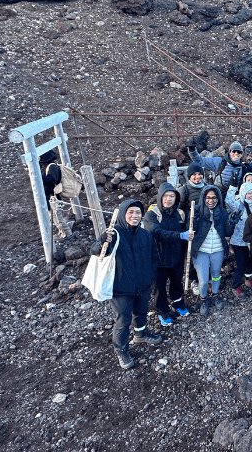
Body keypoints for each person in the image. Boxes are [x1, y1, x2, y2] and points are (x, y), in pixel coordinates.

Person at [90, 199, 161, 370]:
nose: (135, 216)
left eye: (137, 212)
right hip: (120, 288)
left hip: (142, 285)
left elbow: (153, 256)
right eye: (130, 213)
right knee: (123, 320)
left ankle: (141, 334)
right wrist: (101, 241)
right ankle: (121, 350)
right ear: (123, 214)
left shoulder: (145, 235)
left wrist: (151, 277)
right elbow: (94, 251)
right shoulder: (113, 234)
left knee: (141, 312)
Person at [143, 183, 190, 326]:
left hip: (176, 256)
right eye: (166, 196)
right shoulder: (152, 214)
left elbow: (187, 231)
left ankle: (177, 302)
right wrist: (181, 236)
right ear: (160, 197)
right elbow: (157, 232)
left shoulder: (180, 214)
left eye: (172, 196)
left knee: (176, 281)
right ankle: (162, 310)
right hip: (158, 258)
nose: (169, 199)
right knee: (159, 286)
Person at [190, 186, 235, 315]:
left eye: (214, 197)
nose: (211, 200)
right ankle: (203, 299)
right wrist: (193, 220)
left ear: (218, 198)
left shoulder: (223, 212)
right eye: (208, 197)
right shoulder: (197, 211)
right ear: (203, 198)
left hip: (217, 250)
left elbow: (227, 233)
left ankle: (215, 295)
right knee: (203, 281)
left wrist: (231, 224)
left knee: (216, 276)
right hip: (201, 251)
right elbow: (189, 229)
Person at [225, 175, 252, 297]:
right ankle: (235, 285)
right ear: (244, 193)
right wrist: (232, 187)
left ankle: (248, 279)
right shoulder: (238, 204)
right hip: (238, 240)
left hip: (251, 240)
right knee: (241, 264)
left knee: (250, 260)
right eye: (249, 193)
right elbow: (228, 201)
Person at [39, 149, 74, 239]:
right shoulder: (50, 167)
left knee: (57, 217)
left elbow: (51, 180)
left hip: (53, 197)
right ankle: (64, 231)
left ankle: (67, 233)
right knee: (55, 217)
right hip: (51, 196)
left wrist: (39, 174)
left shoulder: (52, 167)